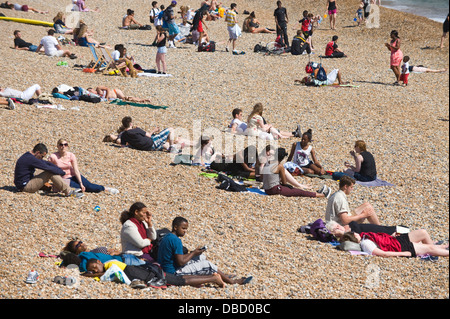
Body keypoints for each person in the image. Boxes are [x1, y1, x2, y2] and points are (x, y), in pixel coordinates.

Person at [157, 216, 252, 286]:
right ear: (175, 227)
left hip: (167, 267)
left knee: (201, 257)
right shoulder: (176, 240)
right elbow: (181, 262)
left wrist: (194, 253)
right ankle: (232, 281)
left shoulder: (168, 236)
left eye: (186, 229)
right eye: (183, 228)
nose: (185, 231)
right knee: (207, 264)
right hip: (173, 272)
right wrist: (193, 253)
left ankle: (223, 276)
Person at [48, 138, 119, 194]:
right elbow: (48, 170)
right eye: (61, 145)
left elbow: (76, 170)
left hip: (73, 176)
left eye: (65, 144)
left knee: (88, 186)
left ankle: (106, 189)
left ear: (67, 146)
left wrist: (81, 183)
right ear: (57, 146)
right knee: (82, 188)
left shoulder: (71, 155)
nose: (63, 146)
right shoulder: (53, 157)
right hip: (64, 179)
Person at [13, 143, 83, 198]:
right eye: (42, 156)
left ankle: (64, 187)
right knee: (49, 172)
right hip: (24, 187)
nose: (42, 158)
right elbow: (47, 167)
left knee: (49, 171)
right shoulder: (31, 159)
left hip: (25, 182)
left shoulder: (29, 156)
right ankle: (68, 191)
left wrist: (59, 169)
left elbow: (46, 163)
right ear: (37, 152)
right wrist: (61, 172)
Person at [262, 147, 331, 198]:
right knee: (298, 192)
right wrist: (289, 186)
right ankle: (322, 195)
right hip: (274, 190)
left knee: (294, 190)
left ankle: (316, 193)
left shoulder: (268, 162)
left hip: (267, 189)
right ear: (282, 158)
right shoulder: (279, 166)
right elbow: (284, 182)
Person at [339, 230, 449, 258]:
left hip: (396, 241)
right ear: (354, 237)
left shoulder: (364, 237)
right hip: (400, 247)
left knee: (423, 233)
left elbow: (381, 241)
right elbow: (383, 253)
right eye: (354, 234)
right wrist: (404, 253)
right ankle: (444, 252)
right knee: (429, 248)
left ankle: (444, 247)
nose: (357, 233)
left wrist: (391, 236)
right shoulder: (366, 243)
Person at [118, 116, 189, 153]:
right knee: (170, 129)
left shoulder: (123, 135)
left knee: (165, 144)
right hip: (152, 142)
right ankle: (172, 148)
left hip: (147, 148)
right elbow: (148, 135)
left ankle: (175, 147)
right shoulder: (136, 129)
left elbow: (123, 146)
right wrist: (154, 130)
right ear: (131, 124)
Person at [86, 86, 151, 103]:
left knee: (126, 98)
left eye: (90, 91)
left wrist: (106, 97)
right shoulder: (97, 96)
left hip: (115, 92)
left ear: (92, 89)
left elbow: (108, 88)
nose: (91, 92)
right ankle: (143, 100)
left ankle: (144, 99)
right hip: (115, 97)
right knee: (126, 99)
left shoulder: (98, 88)